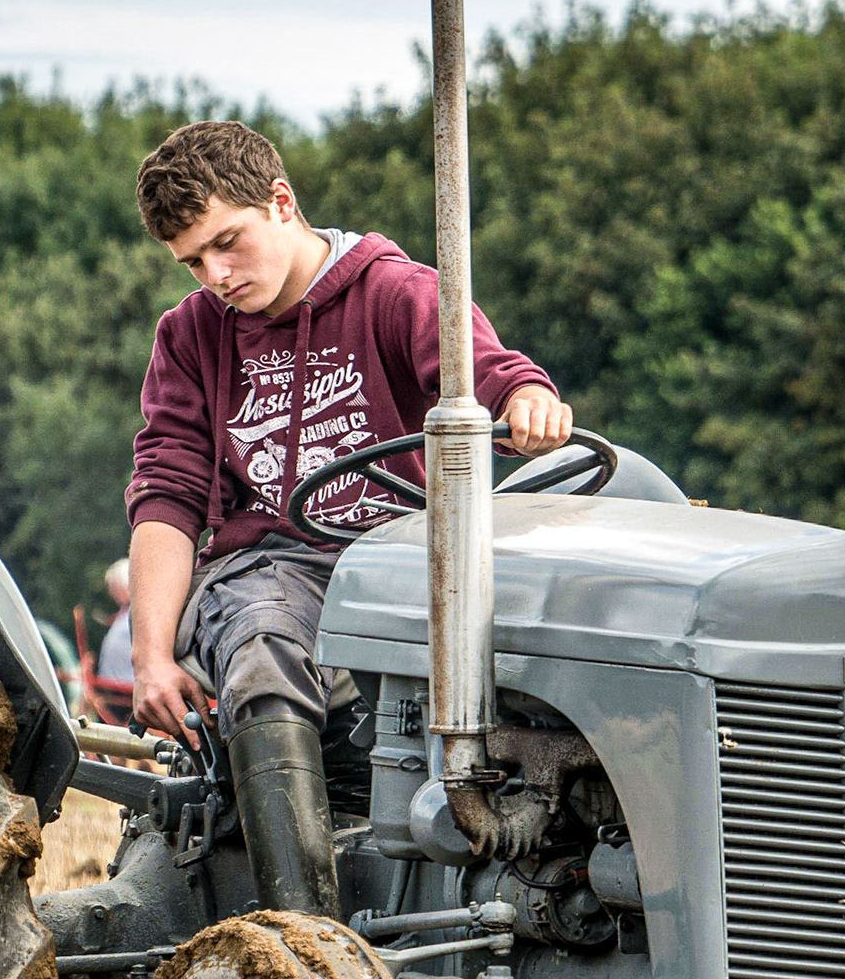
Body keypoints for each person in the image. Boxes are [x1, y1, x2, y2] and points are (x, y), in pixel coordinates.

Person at [123, 120, 573, 916]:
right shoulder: (191, 336)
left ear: (282, 202)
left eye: (228, 243)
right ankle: (306, 941)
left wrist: (528, 400)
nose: (216, 274)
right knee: (261, 646)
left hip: (402, 561)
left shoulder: (396, 294)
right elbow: (167, 493)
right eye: (194, 260)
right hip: (270, 569)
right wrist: (152, 655)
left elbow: (492, 376)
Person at [95, 557, 134, 684]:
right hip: (114, 689)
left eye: (114, 588)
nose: (111, 593)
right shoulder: (123, 615)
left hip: (128, 689)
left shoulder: (138, 615)